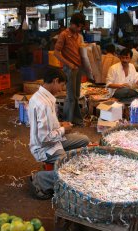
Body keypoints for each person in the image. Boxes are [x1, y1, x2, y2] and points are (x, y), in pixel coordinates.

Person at [28, 67, 90, 200]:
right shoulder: (43, 103)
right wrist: (63, 130)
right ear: (55, 81)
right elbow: (44, 138)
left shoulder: (41, 96)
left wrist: (60, 125)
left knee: (84, 139)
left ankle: (61, 162)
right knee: (72, 171)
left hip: (53, 141)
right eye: (61, 85)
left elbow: (45, 126)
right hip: (45, 148)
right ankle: (40, 179)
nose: (61, 89)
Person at [54, 13, 85, 126]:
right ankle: (67, 121)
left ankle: (76, 119)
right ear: (72, 24)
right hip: (69, 69)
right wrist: (69, 64)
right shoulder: (64, 35)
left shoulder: (78, 36)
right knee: (70, 96)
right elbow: (56, 53)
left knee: (76, 95)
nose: (79, 29)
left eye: (81, 27)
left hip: (78, 68)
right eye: (78, 26)